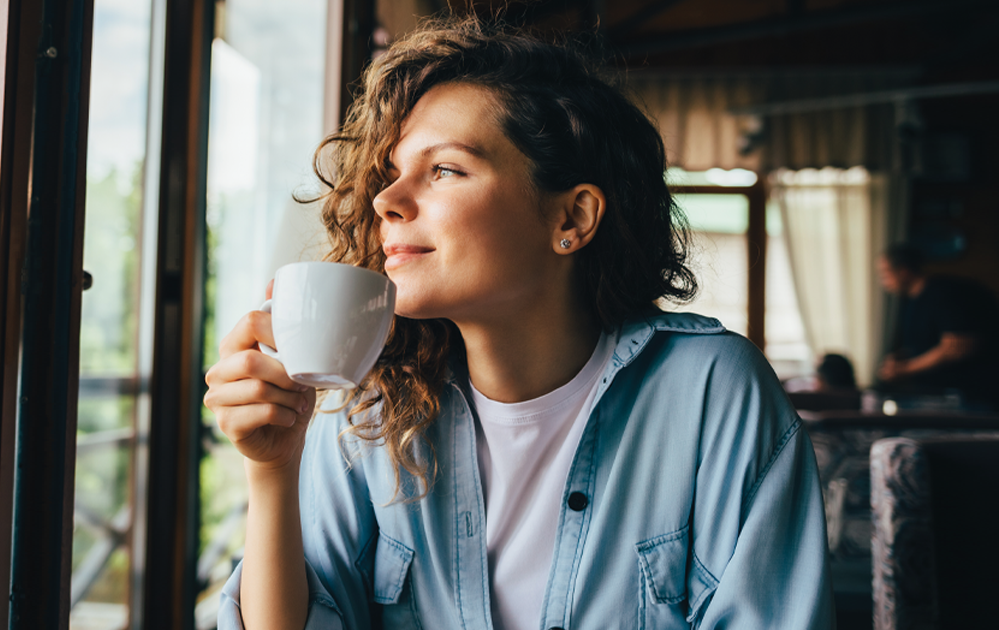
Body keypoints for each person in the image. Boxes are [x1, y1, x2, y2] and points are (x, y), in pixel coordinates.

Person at [205, 17, 833, 630]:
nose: (385, 201)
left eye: (445, 169)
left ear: (572, 219)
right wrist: (272, 471)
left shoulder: (712, 391)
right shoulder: (368, 409)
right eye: (392, 174)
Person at [876, 243, 999, 404]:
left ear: (903, 271)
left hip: (968, 397)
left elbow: (957, 347)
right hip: (936, 396)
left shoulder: (944, 294)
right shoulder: (912, 302)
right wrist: (899, 359)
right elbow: (925, 345)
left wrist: (905, 369)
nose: (883, 282)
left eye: (885, 274)